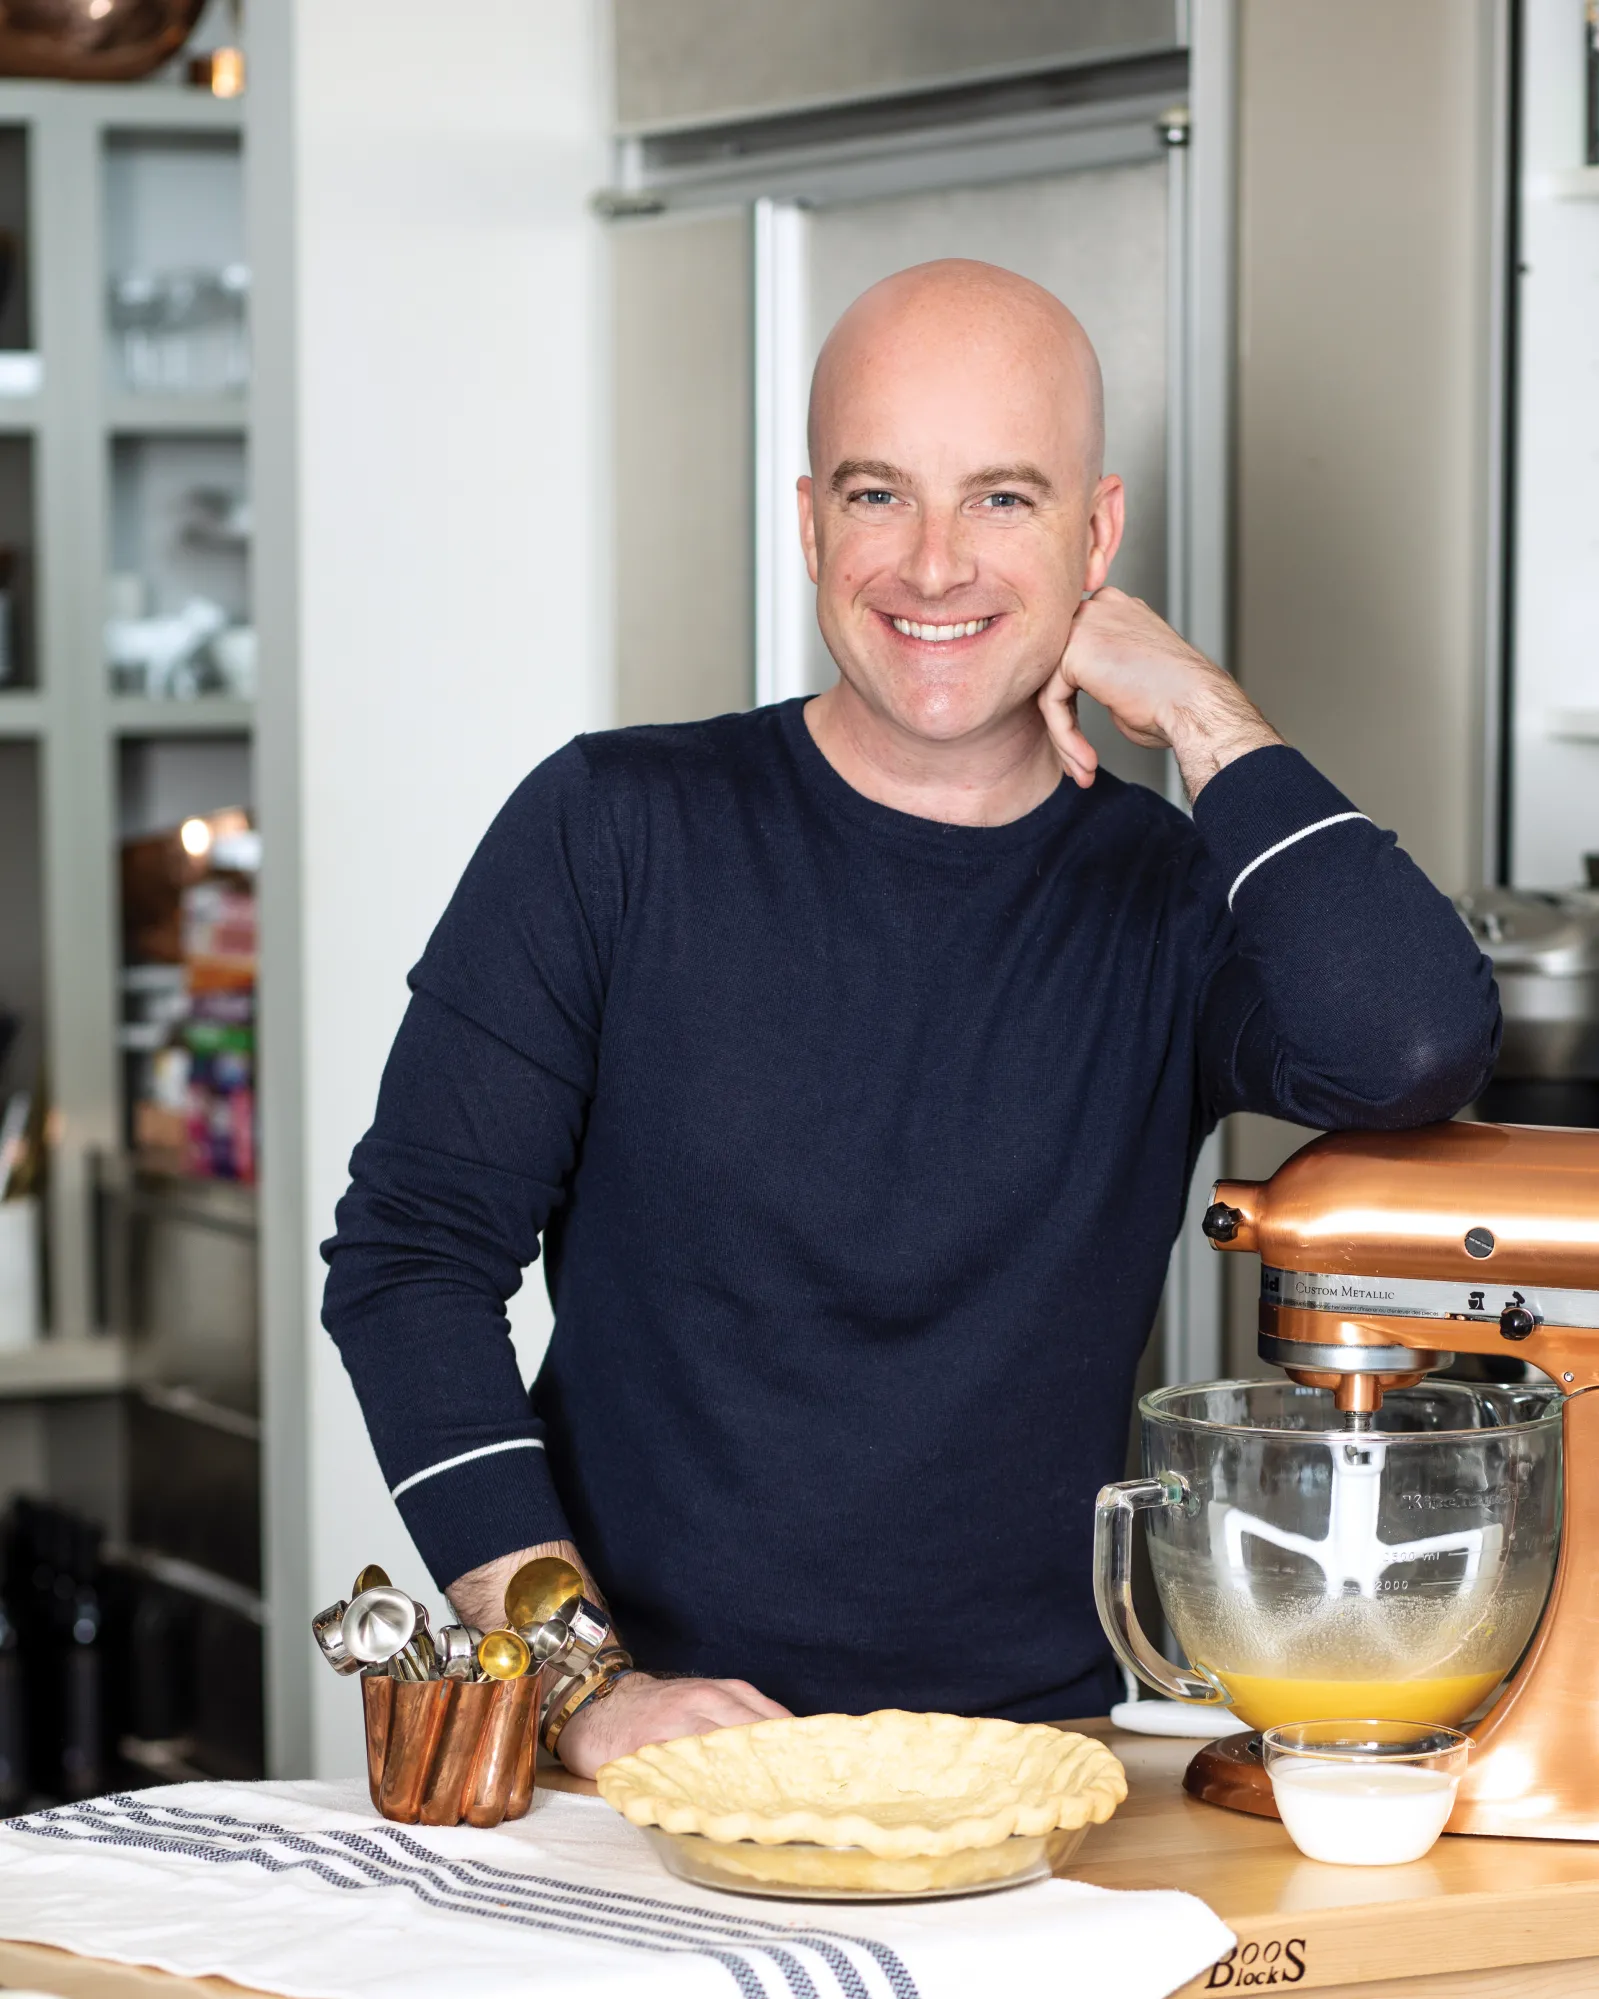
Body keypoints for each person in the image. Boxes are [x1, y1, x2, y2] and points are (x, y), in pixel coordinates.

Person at [322, 259, 1499, 1776]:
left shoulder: (1168, 896)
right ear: (810, 521)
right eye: (880, 495)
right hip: (637, 1771)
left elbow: (1408, 1045)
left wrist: (1201, 710)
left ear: (1098, 534)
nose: (933, 565)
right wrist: (583, 1685)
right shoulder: (610, 828)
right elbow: (409, 1264)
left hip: (1040, 1771)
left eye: (1003, 500)